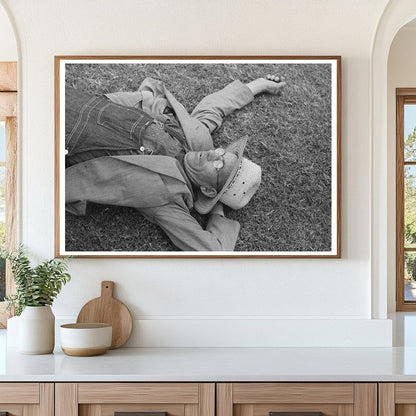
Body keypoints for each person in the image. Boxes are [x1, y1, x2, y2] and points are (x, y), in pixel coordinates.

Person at [65, 73, 286, 251]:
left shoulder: (168, 200)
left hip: (68, 137)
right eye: (222, 153)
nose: (213, 154)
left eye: (218, 165)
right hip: (87, 103)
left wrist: (216, 207)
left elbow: (212, 250)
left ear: (208, 190)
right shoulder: (197, 141)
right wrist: (259, 85)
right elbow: (215, 107)